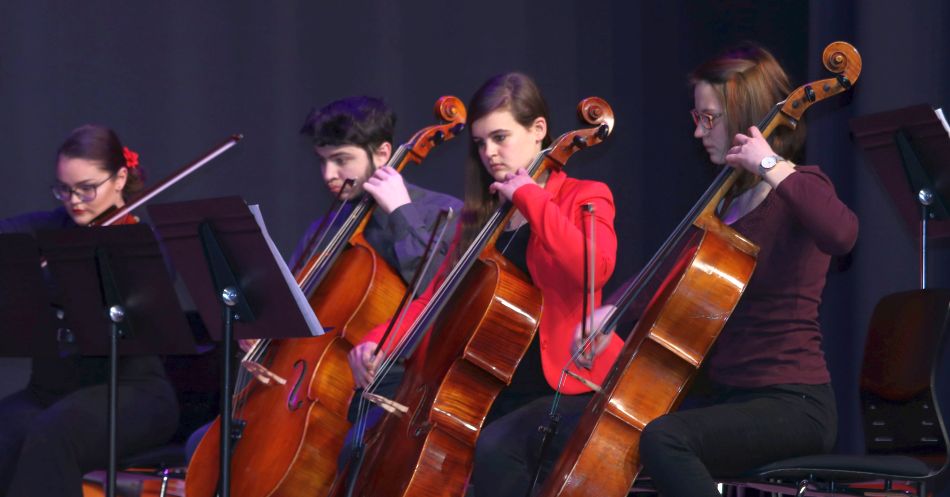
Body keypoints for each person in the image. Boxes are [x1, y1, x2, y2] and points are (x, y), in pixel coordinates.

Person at [586, 44, 858, 497]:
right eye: (697, 117)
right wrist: (610, 313)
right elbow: (667, 272)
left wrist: (768, 163)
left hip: (794, 403)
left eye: (709, 118)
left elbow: (843, 235)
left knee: (666, 440)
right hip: (730, 397)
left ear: (747, 117)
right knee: (618, 426)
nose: (699, 132)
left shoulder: (800, 184)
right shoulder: (725, 203)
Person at [347, 72, 624, 496]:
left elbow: (593, 269)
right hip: (489, 385)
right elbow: (434, 298)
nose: (489, 153)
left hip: (565, 385)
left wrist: (531, 197)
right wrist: (377, 344)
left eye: (500, 137)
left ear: (538, 130)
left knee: (494, 448)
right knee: (373, 432)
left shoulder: (585, 195)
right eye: (480, 143)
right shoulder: (481, 221)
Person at [183, 95, 462, 458]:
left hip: (399, 383)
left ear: (382, 154)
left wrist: (399, 213)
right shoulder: (327, 227)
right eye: (323, 160)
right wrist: (263, 329)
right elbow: (292, 306)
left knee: (353, 447)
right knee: (205, 443)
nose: (328, 175)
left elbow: (440, 294)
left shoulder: (442, 212)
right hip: (321, 386)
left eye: (341, 160)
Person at [0, 124, 180, 497]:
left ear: (120, 179)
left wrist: (53, 276)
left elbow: (136, 309)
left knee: (53, 433)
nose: (74, 201)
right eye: (64, 189)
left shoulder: (143, 244)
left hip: (132, 392)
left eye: (86, 188)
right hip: (52, 391)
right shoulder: (52, 227)